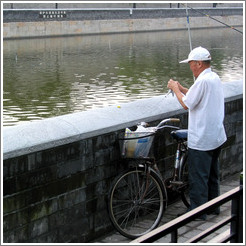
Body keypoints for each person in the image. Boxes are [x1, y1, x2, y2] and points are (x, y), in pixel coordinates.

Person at [167, 46, 227, 220]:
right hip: (215, 135)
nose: (190, 67)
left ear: (199, 63)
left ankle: (198, 212)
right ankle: (213, 207)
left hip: (202, 138)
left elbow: (187, 104)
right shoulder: (213, 77)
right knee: (212, 175)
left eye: (191, 63)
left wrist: (174, 88)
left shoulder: (202, 81)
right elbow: (195, 96)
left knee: (199, 177)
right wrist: (182, 88)